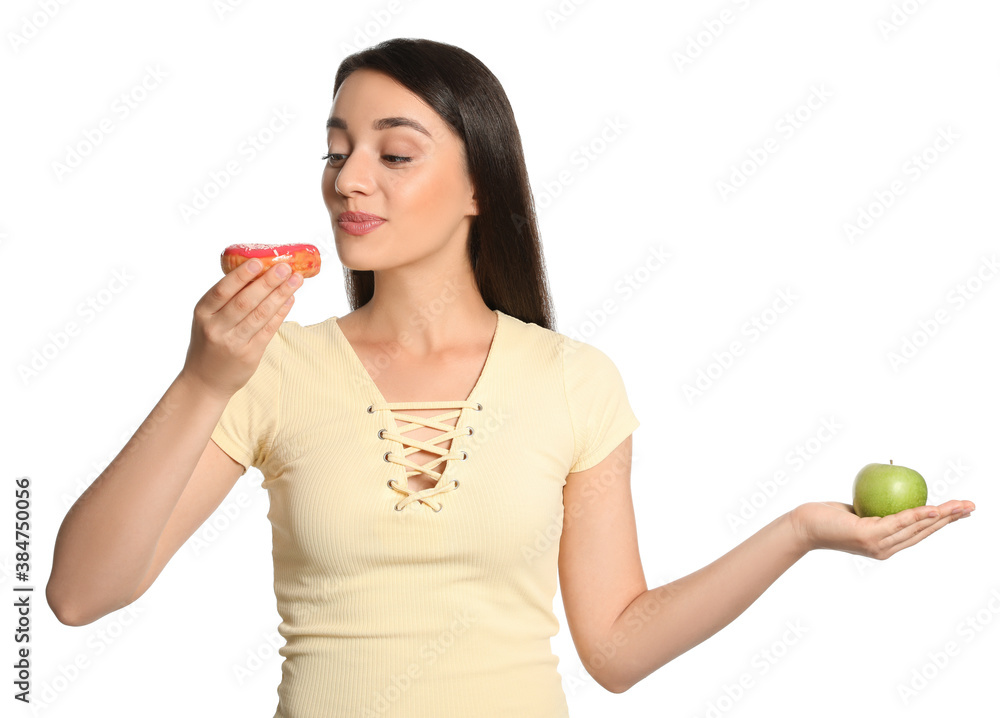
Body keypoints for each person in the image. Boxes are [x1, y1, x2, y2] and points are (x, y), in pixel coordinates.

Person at [46, 38, 976, 718]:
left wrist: (804, 530)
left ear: (480, 184)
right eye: (336, 150)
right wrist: (204, 381)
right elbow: (81, 594)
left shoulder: (574, 382)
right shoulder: (269, 369)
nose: (346, 179)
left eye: (393, 154)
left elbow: (616, 647)